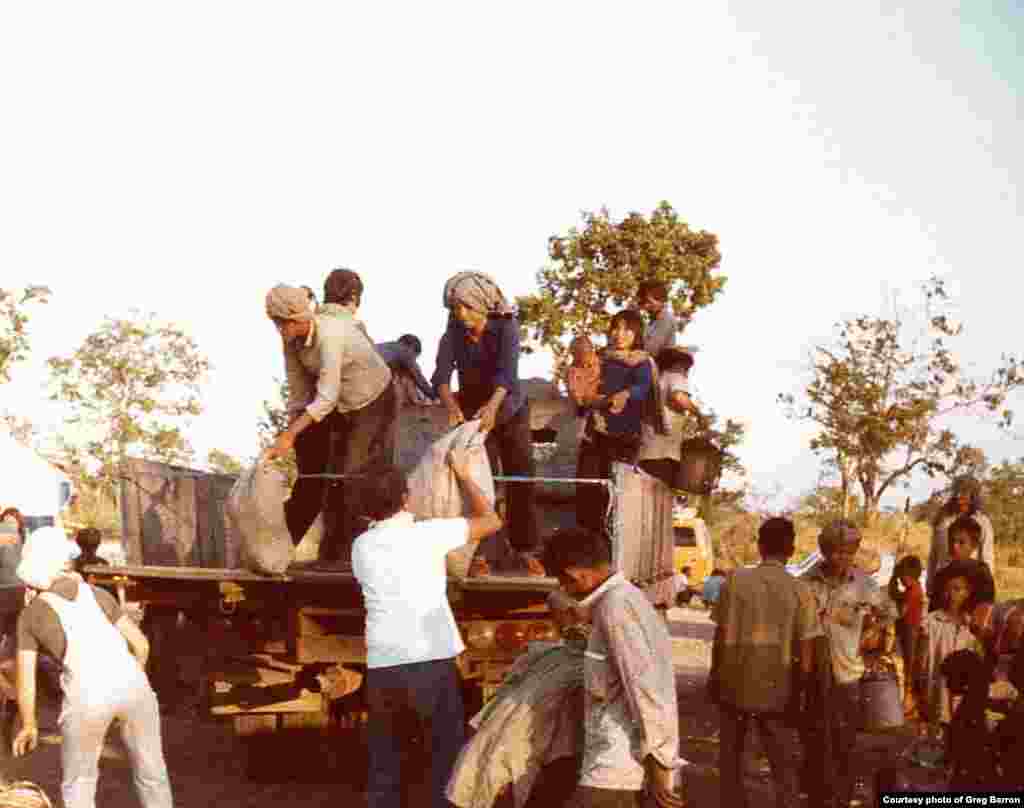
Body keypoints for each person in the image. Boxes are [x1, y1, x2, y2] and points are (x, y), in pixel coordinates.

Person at [352, 449, 503, 808]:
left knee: (386, 762)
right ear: (405, 498)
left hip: (383, 665)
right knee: (443, 758)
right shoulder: (430, 534)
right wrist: (465, 475)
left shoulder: (361, 546)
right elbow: (491, 520)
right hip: (430, 661)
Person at [12, 526, 173, 808]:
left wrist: (29, 724)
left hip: (86, 697)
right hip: (135, 685)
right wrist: (125, 687)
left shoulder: (30, 615)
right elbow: (142, 645)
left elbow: (26, 679)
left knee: (80, 783)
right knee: (152, 774)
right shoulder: (99, 594)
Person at [541, 527, 685, 808]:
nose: (563, 590)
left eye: (562, 582)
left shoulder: (615, 607)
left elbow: (646, 689)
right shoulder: (618, 600)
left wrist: (659, 761)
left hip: (617, 766)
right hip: (614, 761)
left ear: (576, 574)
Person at [264, 272, 398, 565]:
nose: (278, 329)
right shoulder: (291, 342)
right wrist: (291, 433)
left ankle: (348, 558)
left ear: (297, 318)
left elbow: (325, 396)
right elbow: (299, 394)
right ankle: (279, 552)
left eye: (281, 323)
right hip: (337, 403)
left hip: (373, 399)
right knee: (312, 475)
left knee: (349, 475)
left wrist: (289, 435)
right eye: (275, 323)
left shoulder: (329, 335)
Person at [709, 517, 820, 808]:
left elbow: (719, 636)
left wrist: (714, 675)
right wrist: (803, 689)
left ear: (759, 547)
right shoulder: (801, 590)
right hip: (778, 688)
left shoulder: (734, 580)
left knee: (731, 756)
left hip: (733, 682)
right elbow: (806, 647)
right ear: (792, 549)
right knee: (782, 760)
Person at [432, 272, 542, 568]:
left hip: (510, 409)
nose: (460, 314)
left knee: (521, 478)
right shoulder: (454, 330)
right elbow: (441, 375)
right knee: (481, 482)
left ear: (482, 305)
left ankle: (526, 550)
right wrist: (451, 406)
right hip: (473, 413)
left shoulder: (507, 327)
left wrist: (492, 408)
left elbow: (507, 375)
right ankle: (483, 553)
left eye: (466, 307)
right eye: (456, 308)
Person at [799, 520, 898, 808]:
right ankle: (817, 797)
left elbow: (890, 611)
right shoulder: (806, 582)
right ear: (824, 551)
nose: (841, 558)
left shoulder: (864, 583)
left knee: (844, 741)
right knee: (815, 739)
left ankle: (841, 797)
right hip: (814, 672)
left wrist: (873, 633)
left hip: (848, 672)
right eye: (835, 551)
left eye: (848, 552)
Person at [575, 310, 662, 534]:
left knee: (617, 495)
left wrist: (624, 394)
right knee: (587, 488)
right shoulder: (599, 359)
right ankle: (588, 546)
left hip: (624, 436)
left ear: (637, 333)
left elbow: (642, 389)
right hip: (594, 433)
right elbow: (584, 387)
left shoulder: (642, 362)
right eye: (616, 328)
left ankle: (612, 552)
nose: (619, 334)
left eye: (626, 329)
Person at [916, 559, 989, 730]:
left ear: (968, 593)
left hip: (960, 702)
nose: (951, 594)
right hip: (935, 698)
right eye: (947, 589)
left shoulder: (971, 627)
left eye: (957, 589)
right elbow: (920, 662)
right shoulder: (930, 622)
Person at [637, 346, 702, 490]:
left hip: (647, 452)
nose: (687, 372)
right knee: (660, 498)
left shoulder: (658, 380)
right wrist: (699, 415)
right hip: (663, 453)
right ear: (679, 364)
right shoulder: (675, 376)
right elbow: (679, 397)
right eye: (687, 367)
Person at [940, 649, 998, 790]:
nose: (947, 685)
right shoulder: (973, 700)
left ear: (964, 677)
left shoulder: (974, 710)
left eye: (950, 678)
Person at [927, 477, 995, 587]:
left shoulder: (983, 522)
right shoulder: (943, 519)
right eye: (957, 492)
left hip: (969, 583)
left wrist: (987, 586)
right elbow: (933, 555)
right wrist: (929, 582)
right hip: (942, 581)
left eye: (964, 492)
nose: (959, 495)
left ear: (973, 496)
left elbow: (987, 557)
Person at [927, 515, 996, 613]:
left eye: (961, 542)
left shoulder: (982, 574)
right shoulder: (941, 575)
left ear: (974, 545)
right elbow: (933, 612)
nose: (954, 546)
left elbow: (986, 612)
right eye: (952, 541)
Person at [888, 554, 925, 718]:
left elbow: (901, 612)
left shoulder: (913, 591)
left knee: (909, 665)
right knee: (908, 664)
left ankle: (910, 701)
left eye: (903, 577)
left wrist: (886, 620)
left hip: (911, 631)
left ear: (909, 576)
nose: (901, 581)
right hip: (909, 630)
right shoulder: (912, 588)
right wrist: (893, 578)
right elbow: (895, 594)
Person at [376, 334, 436, 406]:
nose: (413, 360)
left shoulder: (387, 348)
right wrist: (434, 397)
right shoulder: (404, 350)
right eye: (414, 357)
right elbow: (418, 377)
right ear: (411, 348)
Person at [636, 281, 679, 359]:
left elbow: (651, 349)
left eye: (649, 302)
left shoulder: (667, 319)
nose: (645, 306)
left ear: (661, 300)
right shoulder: (651, 321)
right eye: (643, 302)